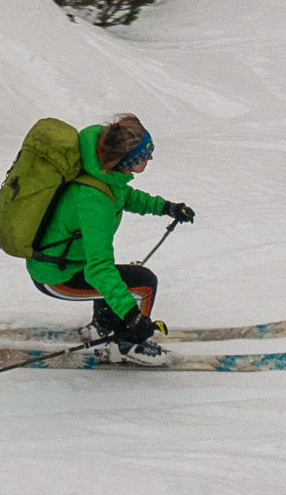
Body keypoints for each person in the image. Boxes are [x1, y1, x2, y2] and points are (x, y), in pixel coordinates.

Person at [26, 113, 195, 365]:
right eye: (145, 155)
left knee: (118, 276)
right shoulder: (95, 203)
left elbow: (124, 195)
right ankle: (129, 345)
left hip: (63, 260)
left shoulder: (100, 169)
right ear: (129, 161)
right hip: (57, 277)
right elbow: (99, 269)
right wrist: (132, 318)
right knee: (143, 283)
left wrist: (167, 207)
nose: (150, 158)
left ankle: (103, 327)